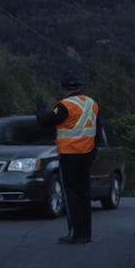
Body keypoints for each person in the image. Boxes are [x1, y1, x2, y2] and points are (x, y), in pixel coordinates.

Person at [36, 71, 99, 245]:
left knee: (71, 195)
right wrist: (94, 152)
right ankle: (86, 233)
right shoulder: (92, 104)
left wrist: (40, 108)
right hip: (86, 154)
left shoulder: (65, 105)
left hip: (69, 155)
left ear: (64, 88)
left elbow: (45, 121)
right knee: (84, 194)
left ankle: (75, 233)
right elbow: (97, 130)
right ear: (79, 86)